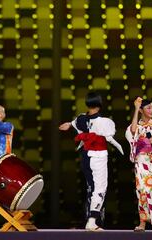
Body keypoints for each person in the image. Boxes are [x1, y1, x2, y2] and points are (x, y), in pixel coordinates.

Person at [59, 92, 123, 231]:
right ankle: (95, 221)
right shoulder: (103, 121)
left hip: (86, 157)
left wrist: (69, 125)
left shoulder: (81, 118)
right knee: (99, 189)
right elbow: (109, 137)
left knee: (91, 188)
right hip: (98, 156)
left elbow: (74, 123)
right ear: (99, 106)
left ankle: (90, 219)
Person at [125, 97, 152, 232]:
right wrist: (136, 108)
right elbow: (132, 132)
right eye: (148, 107)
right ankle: (142, 222)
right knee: (142, 191)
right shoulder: (138, 126)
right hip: (142, 161)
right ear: (142, 110)